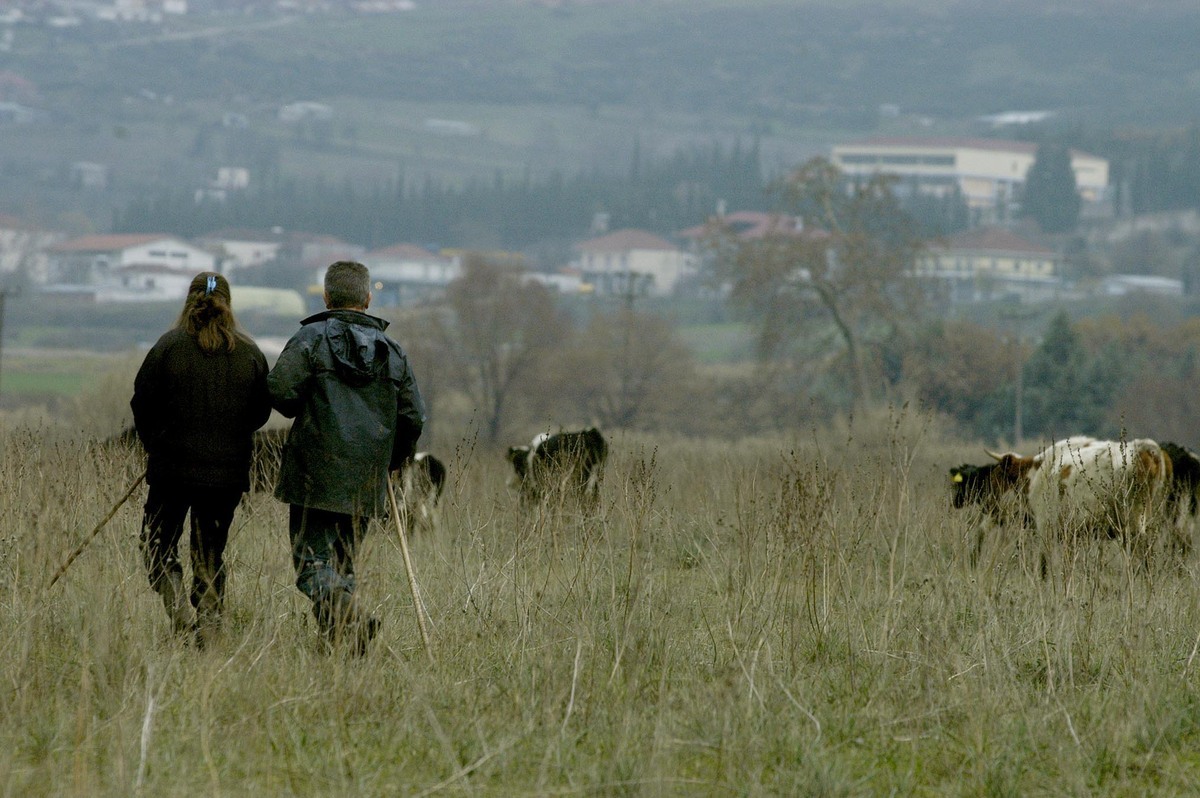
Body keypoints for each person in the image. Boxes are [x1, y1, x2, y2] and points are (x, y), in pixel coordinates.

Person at [267, 260, 425, 654]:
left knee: (312, 566)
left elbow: (281, 393)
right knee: (343, 565)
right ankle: (344, 647)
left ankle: (351, 618)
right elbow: (413, 417)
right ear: (368, 299)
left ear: (326, 297)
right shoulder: (393, 353)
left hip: (314, 474)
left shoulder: (311, 339)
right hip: (366, 479)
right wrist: (392, 459)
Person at [131, 272, 272, 646]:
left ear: (188, 302)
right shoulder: (250, 353)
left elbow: (142, 405)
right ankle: (209, 630)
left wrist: (155, 443)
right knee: (209, 552)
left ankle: (179, 616)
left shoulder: (168, 347)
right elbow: (259, 414)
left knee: (156, 545)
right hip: (226, 476)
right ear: (229, 305)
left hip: (171, 471)